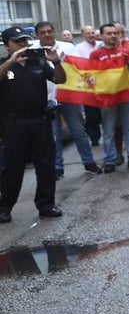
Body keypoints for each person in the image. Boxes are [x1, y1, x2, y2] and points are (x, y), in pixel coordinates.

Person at [0, 26, 67, 223]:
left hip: (40, 120)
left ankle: (46, 205)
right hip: (14, 123)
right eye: (18, 41)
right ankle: (4, 207)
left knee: (45, 165)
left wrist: (56, 62)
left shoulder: (38, 62)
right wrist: (12, 61)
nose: (23, 44)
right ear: (7, 45)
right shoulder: (4, 65)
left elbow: (60, 79)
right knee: (12, 167)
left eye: (25, 40)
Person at [34, 22, 102, 176]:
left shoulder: (68, 47)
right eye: (43, 32)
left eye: (49, 31)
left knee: (78, 131)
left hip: (68, 96)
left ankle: (89, 162)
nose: (47, 34)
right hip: (46, 98)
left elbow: (79, 68)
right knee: (54, 135)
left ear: (54, 32)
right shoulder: (32, 50)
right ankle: (57, 167)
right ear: (37, 35)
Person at [90, 24, 129, 173]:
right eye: (109, 33)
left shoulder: (125, 52)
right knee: (109, 130)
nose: (113, 36)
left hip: (125, 95)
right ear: (101, 36)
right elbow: (91, 75)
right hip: (107, 98)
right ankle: (109, 160)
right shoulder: (96, 54)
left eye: (115, 33)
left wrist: (128, 62)